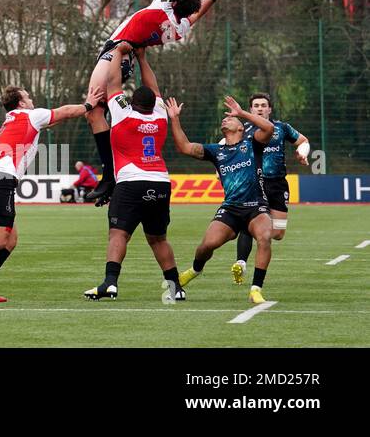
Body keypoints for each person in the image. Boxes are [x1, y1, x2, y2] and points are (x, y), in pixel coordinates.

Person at [84, 0, 231, 205]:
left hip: (117, 50)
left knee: (93, 111)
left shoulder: (162, 5)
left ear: (173, 1)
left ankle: (110, 176)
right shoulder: (178, 28)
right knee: (97, 113)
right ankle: (111, 176)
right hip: (131, 56)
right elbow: (195, 16)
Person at [0, 82, 102, 303]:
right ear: (20, 103)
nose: (31, 99)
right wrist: (88, 105)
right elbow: (65, 112)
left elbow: (52, 121)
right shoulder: (31, 116)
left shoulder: (14, 120)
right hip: (0, 180)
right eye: (27, 97)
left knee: (10, 240)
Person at [82, 49, 186, 302]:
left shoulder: (123, 113)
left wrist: (117, 52)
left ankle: (110, 283)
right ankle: (176, 288)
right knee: (158, 238)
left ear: (132, 102)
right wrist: (142, 58)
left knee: (118, 234)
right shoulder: (161, 114)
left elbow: (113, 82)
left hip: (131, 182)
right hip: (160, 181)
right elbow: (155, 88)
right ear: (153, 103)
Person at [170, 95, 275, 305]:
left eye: (231, 119)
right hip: (230, 210)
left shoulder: (252, 144)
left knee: (264, 237)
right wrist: (174, 118)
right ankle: (195, 270)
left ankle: (256, 289)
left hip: (257, 207)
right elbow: (184, 147)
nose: (225, 119)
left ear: (240, 128)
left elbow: (269, 129)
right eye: (225, 119)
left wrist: (242, 113)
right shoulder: (216, 151)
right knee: (205, 246)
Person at [232, 93, 309, 285]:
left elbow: (303, 141)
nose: (259, 108)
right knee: (251, 223)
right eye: (256, 105)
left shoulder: (282, 128)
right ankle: (241, 262)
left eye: (263, 105)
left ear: (269, 109)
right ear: (250, 110)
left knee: (278, 234)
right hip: (253, 183)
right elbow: (227, 147)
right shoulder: (243, 129)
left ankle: (259, 234)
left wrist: (302, 153)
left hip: (277, 184)